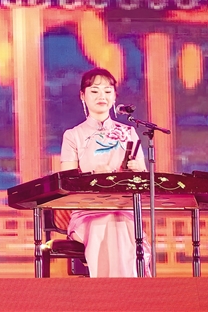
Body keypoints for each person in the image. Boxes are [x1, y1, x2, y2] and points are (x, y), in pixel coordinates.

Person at [60, 67, 151, 277]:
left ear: (114, 96)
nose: (102, 96)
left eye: (107, 91)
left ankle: (125, 292)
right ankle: (109, 291)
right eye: (94, 91)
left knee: (121, 224)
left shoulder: (128, 132)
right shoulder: (73, 135)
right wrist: (92, 174)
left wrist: (137, 170)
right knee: (107, 223)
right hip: (88, 211)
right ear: (82, 96)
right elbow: (67, 180)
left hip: (123, 209)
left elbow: (143, 177)